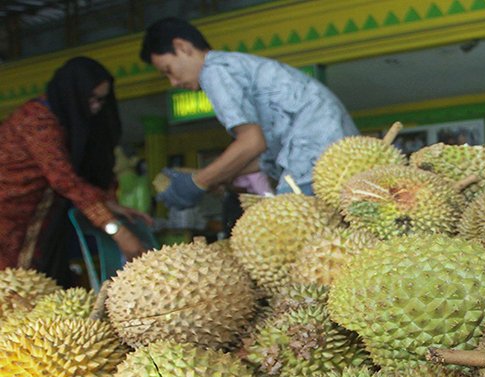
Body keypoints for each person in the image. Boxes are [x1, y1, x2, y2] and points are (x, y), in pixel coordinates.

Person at [139, 17, 359, 208]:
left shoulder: (213, 71)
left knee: (290, 232)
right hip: (337, 151)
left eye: (169, 70)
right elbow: (260, 155)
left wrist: (198, 181)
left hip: (313, 153)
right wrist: (218, 176)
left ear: (183, 47)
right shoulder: (234, 64)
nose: (173, 81)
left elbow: (252, 143)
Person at [0, 57, 150, 279]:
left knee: (33, 285)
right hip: (7, 217)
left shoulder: (67, 125)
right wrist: (117, 230)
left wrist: (107, 204)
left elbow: (78, 178)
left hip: (40, 222)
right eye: (91, 99)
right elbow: (63, 180)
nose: (96, 107)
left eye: (101, 100)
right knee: (10, 291)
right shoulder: (36, 119)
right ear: (72, 94)